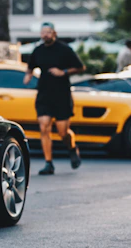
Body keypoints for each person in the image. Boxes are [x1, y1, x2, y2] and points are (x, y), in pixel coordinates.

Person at [23, 22, 85, 175]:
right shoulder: (38, 50)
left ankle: (72, 148)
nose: (45, 35)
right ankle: (48, 163)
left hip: (61, 94)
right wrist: (28, 76)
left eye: (48, 32)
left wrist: (63, 72)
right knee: (44, 127)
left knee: (63, 132)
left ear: (54, 33)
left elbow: (81, 67)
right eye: (43, 32)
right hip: (44, 94)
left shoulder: (64, 49)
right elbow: (30, 67)